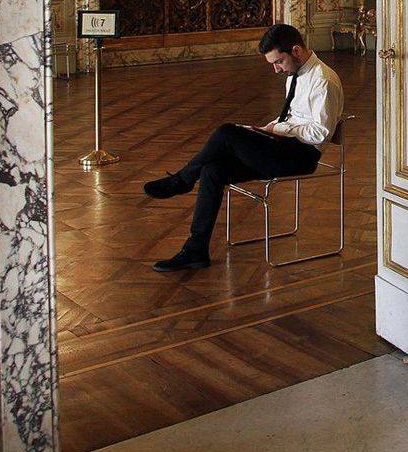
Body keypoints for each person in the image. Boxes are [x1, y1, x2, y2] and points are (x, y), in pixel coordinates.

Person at [143, 23, 343, 272]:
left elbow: (320, 134)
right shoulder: (295, 72)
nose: (276, 69)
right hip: (282, 147)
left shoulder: (323, 80)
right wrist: (267, 129)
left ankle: (183, 180)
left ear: (296, 51)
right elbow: (291, 118)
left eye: (278, 62)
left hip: (301, 156)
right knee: (213, 169)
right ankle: (196, 250)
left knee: (226, 132)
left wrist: (277, 130)